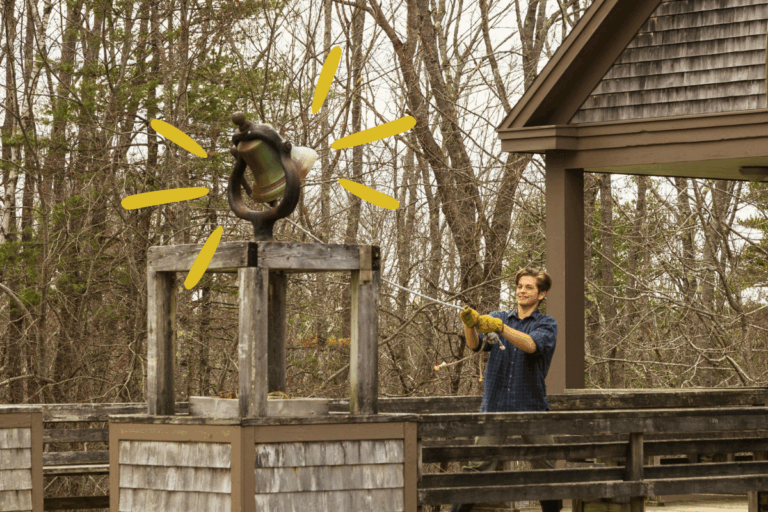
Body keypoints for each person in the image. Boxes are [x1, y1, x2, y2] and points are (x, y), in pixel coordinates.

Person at [450, 268, 562, 512]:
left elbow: (531, 345)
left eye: (529, 287)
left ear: (542, 294)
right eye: (520, 286)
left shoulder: (546, 323)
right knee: (477, 468)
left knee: (546, 471)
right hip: (495, 405)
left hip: (531, 406)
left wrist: (501, 328)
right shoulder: (499, 316)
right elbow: (475, 345)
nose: (522, 291)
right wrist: (470, 325)